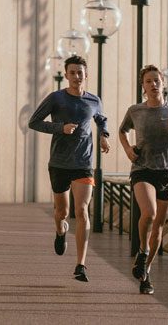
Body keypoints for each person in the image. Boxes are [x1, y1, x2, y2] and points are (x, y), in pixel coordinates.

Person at [29, 55, 111, 282]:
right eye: (72, 72)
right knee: (62, 212)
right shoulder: (56, 98)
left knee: (82, 211)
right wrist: (60, 128)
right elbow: (34, 122)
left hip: (84, 164)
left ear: (87, 75)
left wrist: (104, 136)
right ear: (66, 75)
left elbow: (101, 119)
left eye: (80, 72)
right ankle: (60, 230)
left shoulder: (94, 100)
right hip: (59, 163)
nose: (76, 76)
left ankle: (81, 265)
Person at [119, 64, 168, 295]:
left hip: (167, 173)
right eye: (148, 81)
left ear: (163, 84)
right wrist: (128, 151)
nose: (153, 84)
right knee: (148, 214)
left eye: (156, 80)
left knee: (158, 227)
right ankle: (142, 251)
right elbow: (122, 131)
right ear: (143, 86)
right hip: (142, 170)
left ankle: (146, 272)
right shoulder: (135, 111)